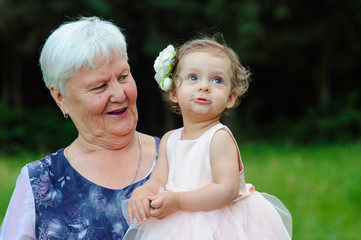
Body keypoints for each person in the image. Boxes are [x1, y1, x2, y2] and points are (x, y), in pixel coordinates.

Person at [0, 16, 160, 239]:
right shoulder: (40, 182)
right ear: (60, 97)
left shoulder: (180, 155)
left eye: (123, 77)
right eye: (100, 86)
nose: (119, 94)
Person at [125, 36, 292, 239]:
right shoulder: (170, 139)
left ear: (230, 98)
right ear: (174, 92)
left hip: (221, 224)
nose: (204, 86)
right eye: (193, 77)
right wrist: (143, 192)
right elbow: (158, 179)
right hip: (176, 226)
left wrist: (178, 202)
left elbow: (226, 190)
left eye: (217, 80)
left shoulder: (218, 138)